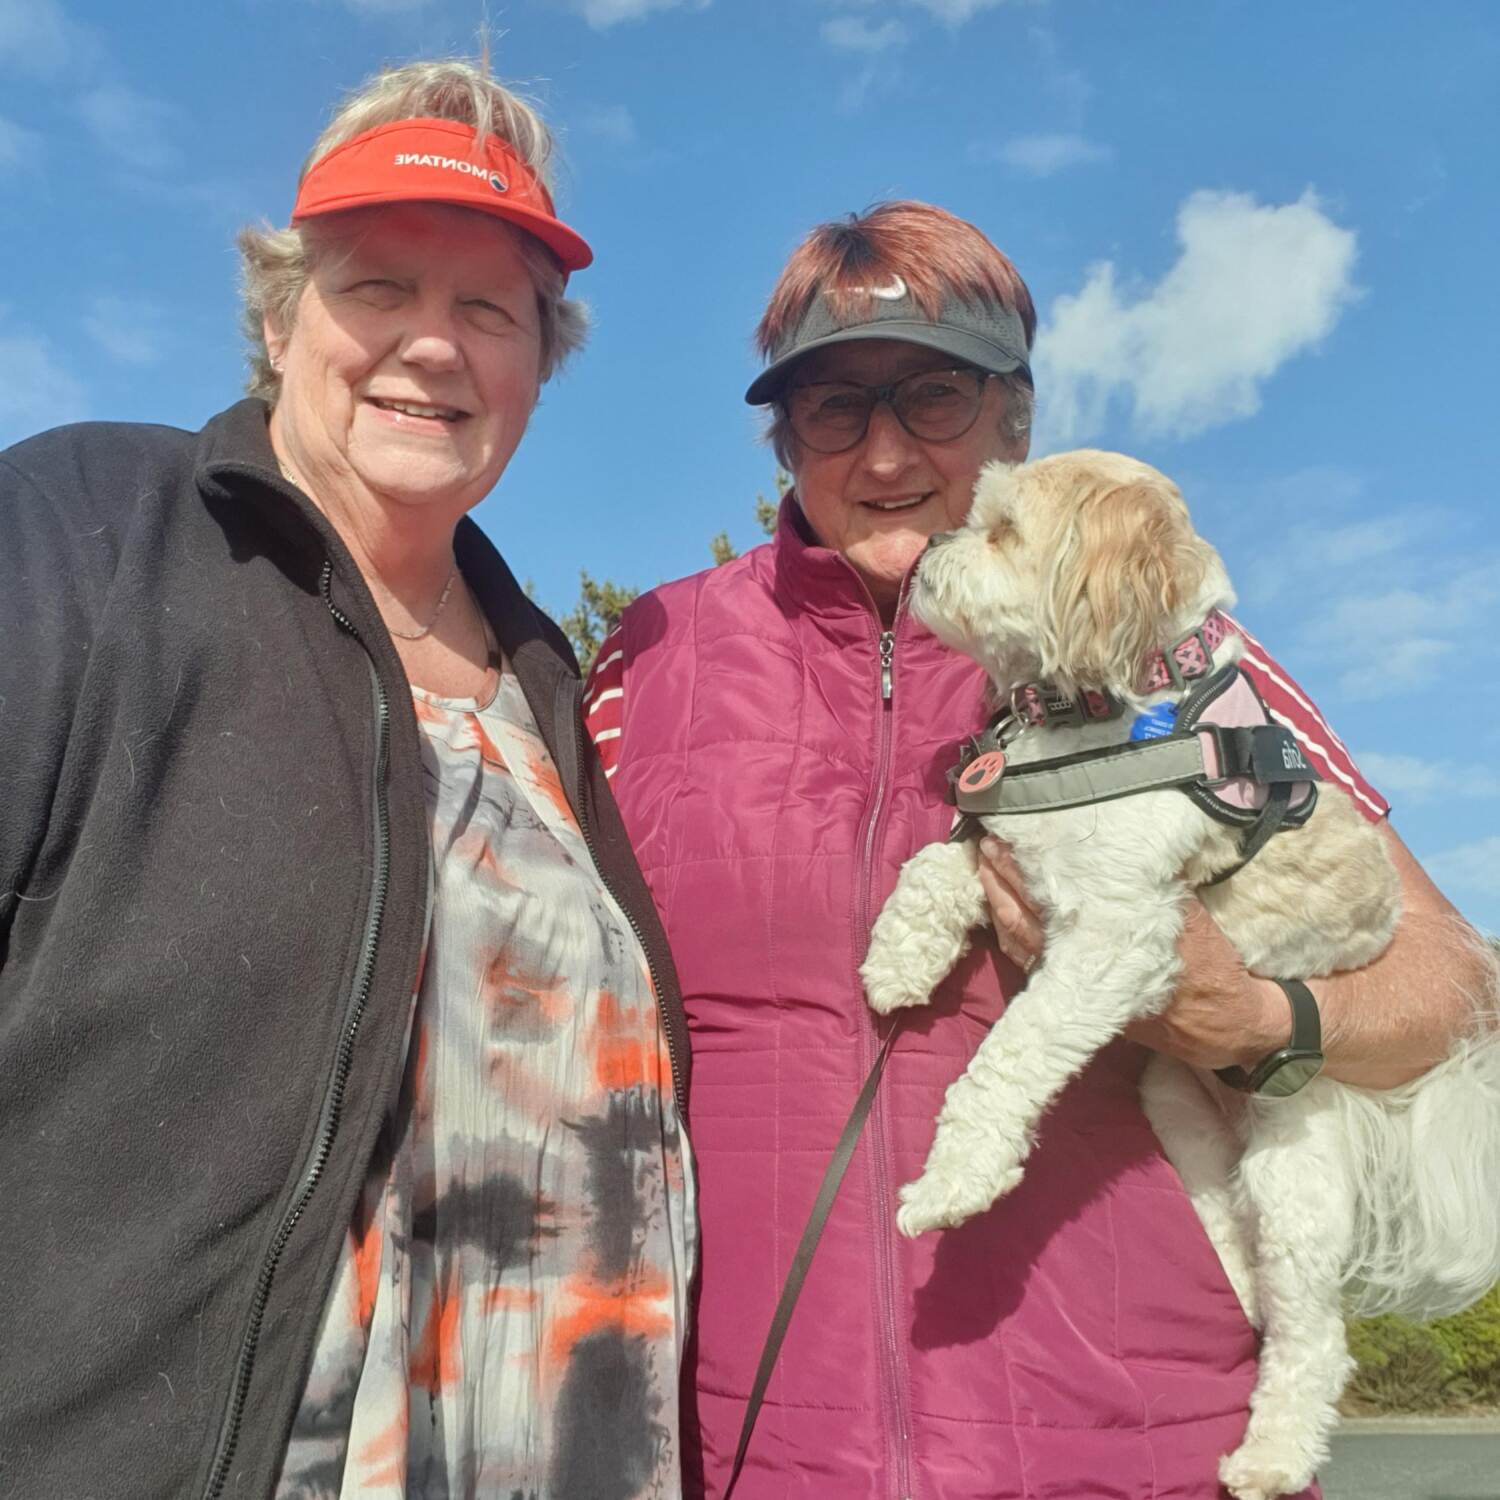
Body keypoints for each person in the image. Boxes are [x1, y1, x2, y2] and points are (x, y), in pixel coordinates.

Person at [584, 201, 1493, 1498]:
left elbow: (1452, 985)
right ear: (781, 434)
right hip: (750, 1452)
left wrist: (1253, 1011)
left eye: (935, 395)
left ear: (1015, 418)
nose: (887, 449)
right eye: (835, 404)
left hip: (1142, 1455)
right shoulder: (647, 662)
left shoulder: (1176, 666)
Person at [0, 59, 694, 1500]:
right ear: (279, 318)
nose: (432, 348)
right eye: (378, 287)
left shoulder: (551, 686)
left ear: (535, 370)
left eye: (486, 310)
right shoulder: (81, 529)